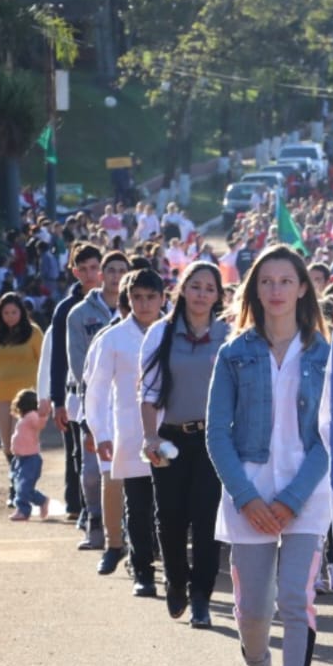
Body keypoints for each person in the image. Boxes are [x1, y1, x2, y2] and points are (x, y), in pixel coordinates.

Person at [206, 246, 333, 666]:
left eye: (286, 280)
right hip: (249, 495)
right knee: (254, 609)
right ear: (255, 289)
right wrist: (247, 497)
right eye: (267, 281)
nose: (276, 290)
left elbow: (331, 434)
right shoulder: (234, 352)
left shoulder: (326, 353)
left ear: (303, 288)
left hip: (306, 495)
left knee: (295, 601)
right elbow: (217, 433)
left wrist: (292, 498)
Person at [140, 261, 229, 622]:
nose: (202, 294)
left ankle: (202, 595)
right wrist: (149, 437)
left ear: (218, 295)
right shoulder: (161, 333)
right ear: (182, 289)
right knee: (171, 518)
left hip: (213, 440)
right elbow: (148, 392)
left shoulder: (229, 333)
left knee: (207, 520)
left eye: (210, 288)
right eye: (195, 286)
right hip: (171, 440)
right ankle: (176, 581)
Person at [83, 269, 164, 589]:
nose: (144, 305)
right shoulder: (113, 338)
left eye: (151, 298)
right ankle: (142, 571)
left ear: (162, 298)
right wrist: (100, 432)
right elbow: (97, 388)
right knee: (138, 504)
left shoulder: (174, 332)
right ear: (128, 300)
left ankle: (172, 570)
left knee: (170, 508)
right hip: (130, 433)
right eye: (137, 298)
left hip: (171, 431)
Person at [67, 250, 130, 550]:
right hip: (94, 403)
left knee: (129, 471)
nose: (117, 276)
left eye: (122, 270)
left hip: (130, 405)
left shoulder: (142, 309)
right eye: (112, 270)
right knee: (93, 473)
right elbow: (79, 365)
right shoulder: (80, 314)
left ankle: (127, 532)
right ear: (102, 275)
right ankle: (94, 524)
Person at [0, 292, 43, 497]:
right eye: (6, 313)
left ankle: (19, 488)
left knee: (21, 441)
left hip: (27, 397)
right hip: (3, 394)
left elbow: (44, 362)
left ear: (21, 312)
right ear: (0, 314)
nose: (10, 316)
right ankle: (15, 478)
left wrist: (45, 393)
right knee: (7, 444)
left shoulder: (33, 332)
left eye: (14, 312)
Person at [8, 389, 50, 521]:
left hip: (31, 459)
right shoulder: (25, 417)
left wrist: (45, 412)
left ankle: (23, 510)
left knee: (23, 486)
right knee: (21, 486)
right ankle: (42, 500)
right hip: (21, 458)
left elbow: (40, 423)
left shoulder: (32, 416)